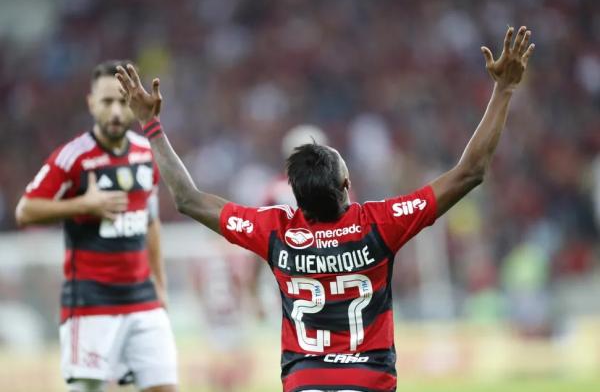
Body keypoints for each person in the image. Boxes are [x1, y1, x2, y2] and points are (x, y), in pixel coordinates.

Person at [116, 26, 534, 392]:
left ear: (294, 197)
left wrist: (151, 127)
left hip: (304, 381)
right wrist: (504, 90)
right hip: (369, 380)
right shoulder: (380, 224)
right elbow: (469, 173)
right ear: (347, 184)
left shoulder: (275, 230)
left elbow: (189, 198)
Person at [15, 60, 178, 392]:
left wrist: (160, 285)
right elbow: (25, 210)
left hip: (142, 300)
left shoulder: (146, 154)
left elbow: (150, 222)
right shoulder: (73, 157)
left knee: (165, 386)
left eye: (122, 101)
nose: (116, 111)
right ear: (91, 103)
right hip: (90, 305)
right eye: (107, 102)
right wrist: (83, 205)